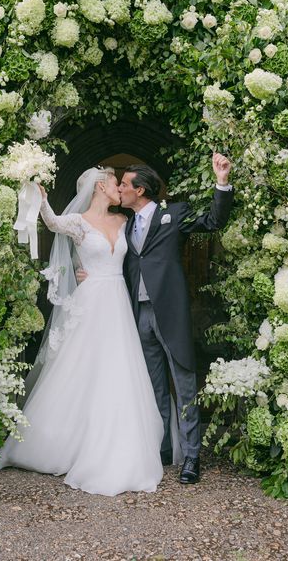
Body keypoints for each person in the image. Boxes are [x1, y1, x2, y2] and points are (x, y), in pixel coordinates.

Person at [0, 166, 164, 496]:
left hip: (118, 303)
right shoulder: (79, 223)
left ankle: (118, 442)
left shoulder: (125, 222)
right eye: (117, 184)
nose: (120, 190)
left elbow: (136, 258)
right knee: (82, 371)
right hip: (92, 302)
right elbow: (53, 222)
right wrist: (39, 199)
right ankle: (63, 443)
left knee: (118, 371)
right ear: (102, 186)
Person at [118, 153, 233, 484]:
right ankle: (163, 450)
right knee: (153, 387)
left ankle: (192, 457)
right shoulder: (124, 225)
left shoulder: (174, 214)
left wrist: (221, 182)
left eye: (125, 184)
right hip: (138, 315)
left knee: (183, 385)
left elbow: (213, 221)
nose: (120, 189)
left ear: (140, 190)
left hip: (169, 311)